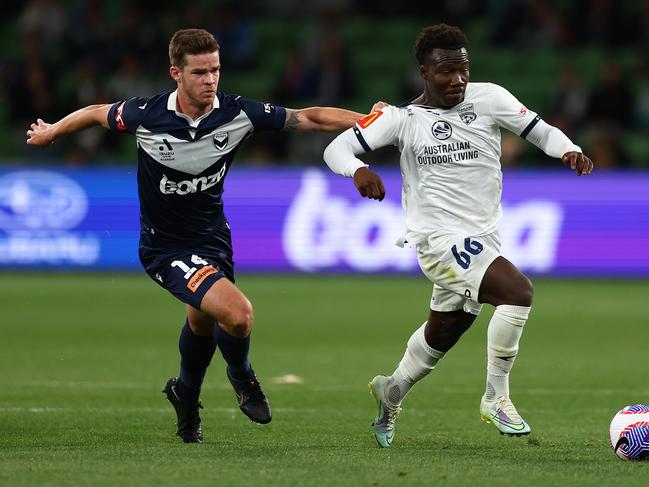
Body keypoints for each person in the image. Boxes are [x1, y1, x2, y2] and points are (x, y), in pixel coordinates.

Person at [26, 28, 365, 444]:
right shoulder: (146, 114)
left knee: (203, 322)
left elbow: (309, 116)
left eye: (216, 70)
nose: (211, 80)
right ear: (176, 73)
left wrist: (371, 121)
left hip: (213, 240)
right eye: (201, 72)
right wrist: (52, 131)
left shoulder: (238, 113)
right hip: (165, 247)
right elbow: (97, 110)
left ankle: (185, 396)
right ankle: (241, 376)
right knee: (237, 315)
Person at [323, 24, 593, 448]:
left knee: (446, 330)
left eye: (463, 70)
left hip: (484, 237)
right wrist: (358, 169)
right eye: (446, 71)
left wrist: (568, 149)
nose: (458, 80)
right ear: (424, 73)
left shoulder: (490, 98)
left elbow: (539, 130)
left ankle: (391, 390)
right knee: (517, 293)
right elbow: (335, 149)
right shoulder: (401, 119)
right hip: (436, 239)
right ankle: (495, 397)